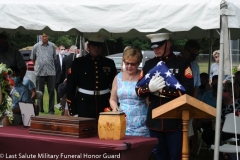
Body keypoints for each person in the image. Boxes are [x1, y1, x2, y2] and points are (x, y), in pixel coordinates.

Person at [135, 33, 194, 160]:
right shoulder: (149, 64)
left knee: (175, 155)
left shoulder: (182, 63)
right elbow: (138, 90)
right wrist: (149, 89)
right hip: (155, 119)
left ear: (168, 43)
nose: (155, 50)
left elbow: (187, 90)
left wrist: (162, 90)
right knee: (159, 154)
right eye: (153, 47)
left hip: (175, 119)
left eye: (159, 46)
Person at [66, 34, 117, 118]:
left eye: (99, 46)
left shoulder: (109, 63)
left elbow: (115, 85)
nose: (96, 48)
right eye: (94, 45)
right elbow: (70, 88)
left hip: (104, 102)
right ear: (88, 46)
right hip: (84, 104)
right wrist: (73, 111)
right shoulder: (79, 62)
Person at [109, 46, 149, 137]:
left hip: (141, 125)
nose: (129, 66)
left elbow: (148, 101)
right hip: (122, 122)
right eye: (127, 63)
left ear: (138, 63)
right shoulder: (118, 77)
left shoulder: (144, 77)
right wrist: (115, 109)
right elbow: (113, 99)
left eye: (132, 64)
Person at [180, 40, 201, 155]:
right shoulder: (174, 61)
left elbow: (196, 86)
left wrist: (191, 102)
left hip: (188, 101)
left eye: (197, 55)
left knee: (187, 130)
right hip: (173, 101)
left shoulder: (195, 66)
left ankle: (184, 153)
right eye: (193, 55)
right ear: (185, 50)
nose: (195, 58)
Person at [30, 33, 56, 114]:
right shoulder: (36, 46)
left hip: (50, 72)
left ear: (48, 37)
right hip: (39, 72)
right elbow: (32, 58)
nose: (45, 38)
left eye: (46, 36)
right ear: (41, 37)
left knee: (51, 91)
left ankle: (51, 109)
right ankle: (40, 108)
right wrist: (37, 65)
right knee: (39, 91)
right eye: (43, 36)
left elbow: (54, 58)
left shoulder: (52, 46)